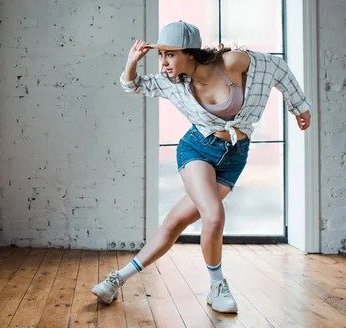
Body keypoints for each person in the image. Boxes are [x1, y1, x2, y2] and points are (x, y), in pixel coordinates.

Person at [91, 21, 311, 313]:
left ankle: (116, 280)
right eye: (160, 56)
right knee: (214, 215)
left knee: (174, 224)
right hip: (197, 149)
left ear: (190, 53)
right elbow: (132, 85)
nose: (163, 63)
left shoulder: (230, 63)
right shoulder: (173, 83)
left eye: (170, 54)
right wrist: (132, 62)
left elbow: (277, 67)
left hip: (234, 158)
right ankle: (217, 286)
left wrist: (299, 106)